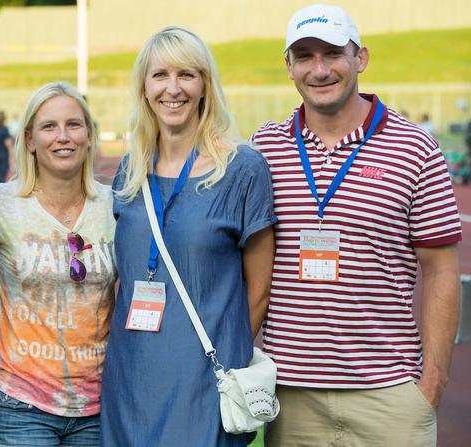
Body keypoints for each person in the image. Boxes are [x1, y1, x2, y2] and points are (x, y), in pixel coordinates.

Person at [250, 5, 462, 446]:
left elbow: (441, 269)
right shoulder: (264, 148)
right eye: (305, 56)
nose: (320, 69)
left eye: (333, 53)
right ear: (288, 66)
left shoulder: (414, 147)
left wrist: (432, 384)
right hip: (292, 398)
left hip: (390, 396)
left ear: (360, 58)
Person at [100, 27, 276, 446]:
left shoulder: (243, 169)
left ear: (205, 86)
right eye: (160, 75)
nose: (172, 89)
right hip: (130, 377)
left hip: (204, 381)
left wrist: (224, 358)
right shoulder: (130, 171)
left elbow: (260, 291)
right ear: (144, 88)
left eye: (186, 75)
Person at [0, 81, 117, 446]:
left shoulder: (115, 206)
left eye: (73, 124)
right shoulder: (1, 205)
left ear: (89, 135)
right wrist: (5, 321)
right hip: (20, 404)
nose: (63, 136)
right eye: (49, 126)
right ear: (30, 140)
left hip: (99, 406)